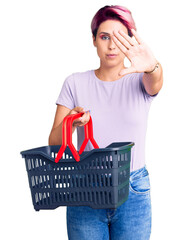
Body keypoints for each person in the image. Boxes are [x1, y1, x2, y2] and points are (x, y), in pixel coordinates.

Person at [49, 5, 163, 240]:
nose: (112, 46)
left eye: (119, 38)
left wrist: (152, 67)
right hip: (86, 188)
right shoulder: (75, 83)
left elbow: (156, 81)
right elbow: (53, 142)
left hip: (132, 190)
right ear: (93, 40)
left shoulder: (140, 80)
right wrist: (72, 123)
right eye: (104, 37)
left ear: (130, 41)